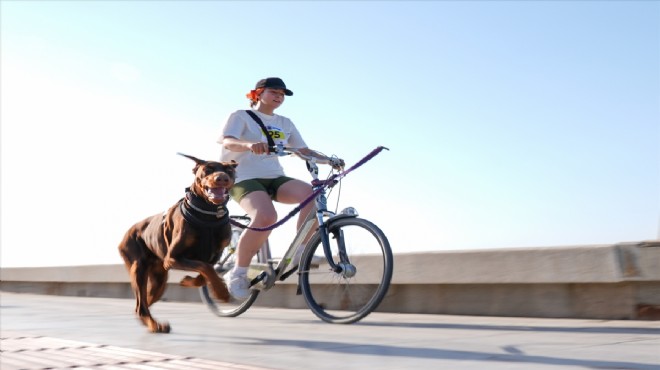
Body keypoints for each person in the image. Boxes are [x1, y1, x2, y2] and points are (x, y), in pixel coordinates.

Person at [218, 77, 343, 299]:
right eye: (273, 92)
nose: (279, 96)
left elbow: (303, 150)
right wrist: (249, 145)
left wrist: (329, 160)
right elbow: (227, 141)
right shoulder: (241, 116)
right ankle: (238, 273)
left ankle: (300, 252)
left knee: (313, 196)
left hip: (274, 176)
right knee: (266, 216)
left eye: (282, 94)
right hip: (244, 177)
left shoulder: (285, 123)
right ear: (257, 94)